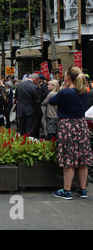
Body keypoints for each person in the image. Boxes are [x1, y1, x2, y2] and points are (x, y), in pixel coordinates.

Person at [50, 67, 92, 200]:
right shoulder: (84, 91)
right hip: (81, 124)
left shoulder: (66, 92)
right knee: (82, 159)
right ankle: (82, 190)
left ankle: (66, 190)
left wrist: (63, 87)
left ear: (68, 77)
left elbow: (52, 101)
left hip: (67, 125)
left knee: (69, 157)